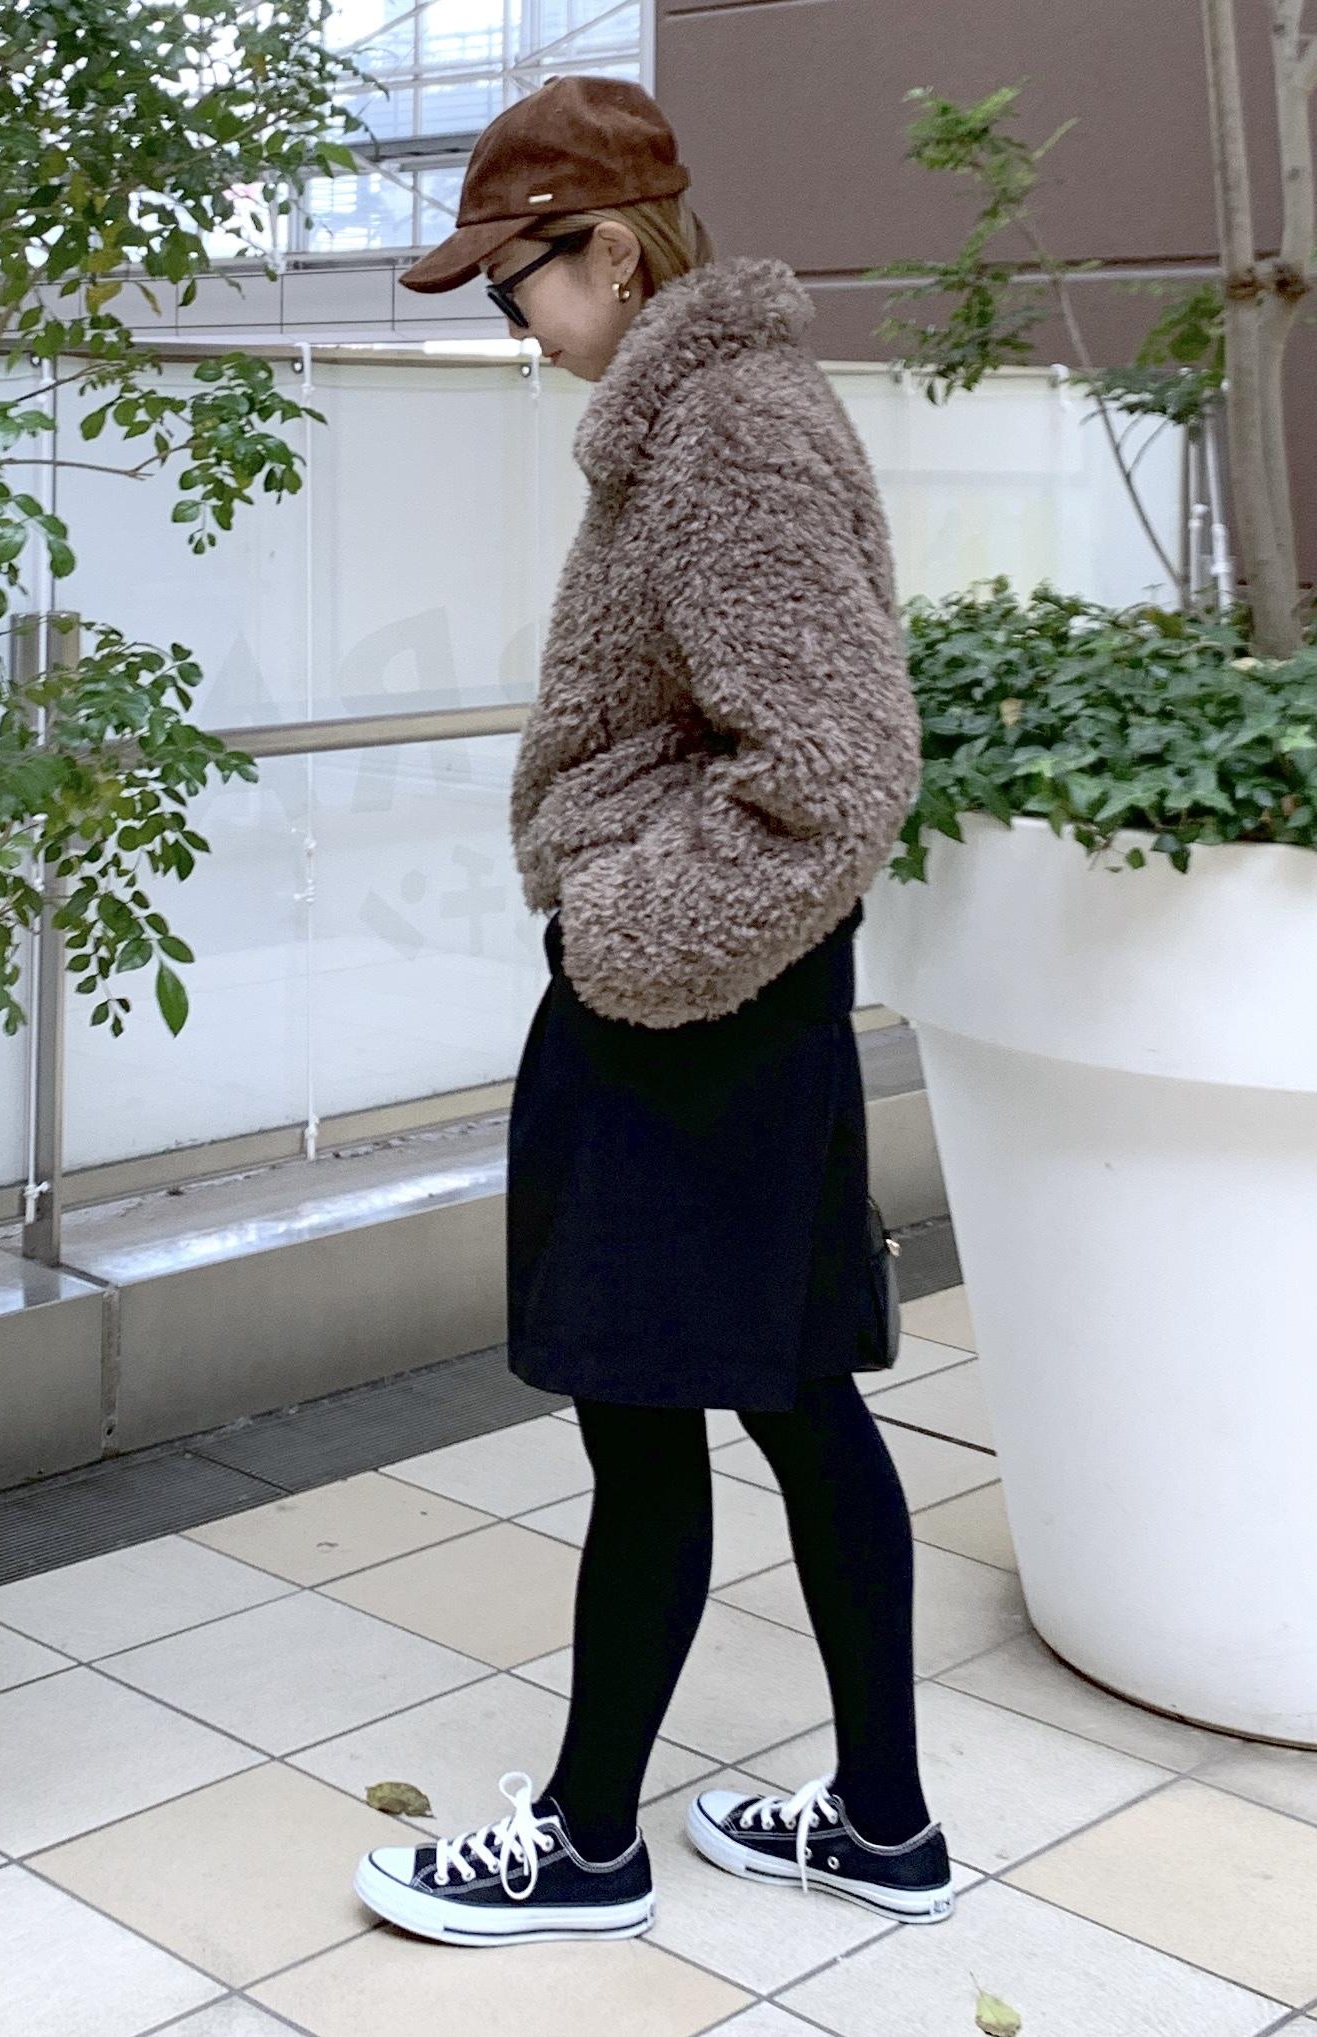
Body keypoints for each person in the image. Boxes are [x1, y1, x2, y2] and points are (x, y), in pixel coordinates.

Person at [353, 73, 953, 1949]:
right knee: (788, 1395)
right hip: (737, 992)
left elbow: (839, 763)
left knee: (646, 1408)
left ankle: (588, 1840)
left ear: (612, 251)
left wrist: (627, 928)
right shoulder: (707, 413)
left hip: (695, 1001)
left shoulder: (726, 432)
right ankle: (882, 1822)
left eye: (512, 282)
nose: (511, 325)